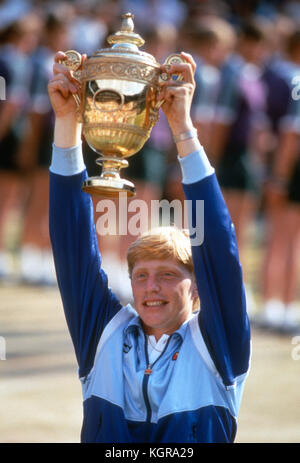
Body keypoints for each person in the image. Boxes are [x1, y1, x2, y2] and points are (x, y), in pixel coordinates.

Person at [48, 50, 250, 443]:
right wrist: (67, 122)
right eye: (140, 276)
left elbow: (220, 250)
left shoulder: (217, 344)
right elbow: (71, 241)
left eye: (168, 275)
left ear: (197, 288)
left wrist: (182, 127)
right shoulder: (105, 334)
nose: (150, 287)